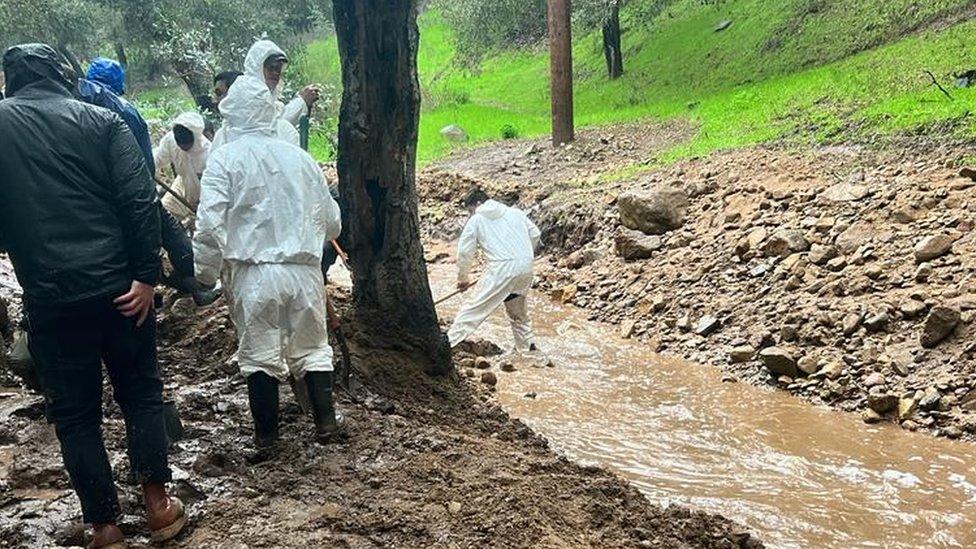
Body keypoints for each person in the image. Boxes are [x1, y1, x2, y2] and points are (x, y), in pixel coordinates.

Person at [0, 44, 185, 548]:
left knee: (76, 415)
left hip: (52, 300)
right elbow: (139, 203)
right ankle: (158, 507)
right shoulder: (103, 121)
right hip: (123, 292)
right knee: (141, 394)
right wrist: (148, 278)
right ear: (63, 76)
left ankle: (104, 527)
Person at [193, 69, 343, 450]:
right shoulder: (301, 158)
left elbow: (210, 226)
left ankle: (268, 439)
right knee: (313, 348)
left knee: (259, 354)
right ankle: (326, 424)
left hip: (254, 272)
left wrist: (204, 274)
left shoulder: (224, 159)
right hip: (306, 272)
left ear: (233, 114)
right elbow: (332, 223)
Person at [78, 58, 219, 306]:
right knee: (169, 233)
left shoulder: (73, 107)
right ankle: (190, 283)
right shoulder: (125, 112)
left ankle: (181, 282)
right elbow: (147, 161)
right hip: (131, 191)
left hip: (90, 198)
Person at [448, 189, 541, 351]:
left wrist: (462, 279)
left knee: (473, 309)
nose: (470, 215)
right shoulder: (516, 213)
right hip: (526, 267)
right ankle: (527, 348)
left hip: (501, 268)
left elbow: (465, 252)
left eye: (470, 211)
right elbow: (535, 233)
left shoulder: (477, 220)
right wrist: (523, 255)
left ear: (477, 204)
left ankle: (446, 344)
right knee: (518, 312)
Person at [211, 40, 320, 149]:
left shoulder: (273, 107)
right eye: (271, 67)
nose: (275, 73)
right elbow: (267, 127)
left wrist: (302, 103)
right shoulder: (247, 100)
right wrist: (301, 102)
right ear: (257, 66)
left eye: (278, 68)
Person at [154, 111, 211, 222]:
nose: (181, 147)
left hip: (203, 193)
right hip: (183, 182)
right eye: (179, 143)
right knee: (164, 217)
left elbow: (213, 189)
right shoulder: (170, 141)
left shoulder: (208, 155)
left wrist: (202, 204)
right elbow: (158, 158)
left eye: (186, 144)